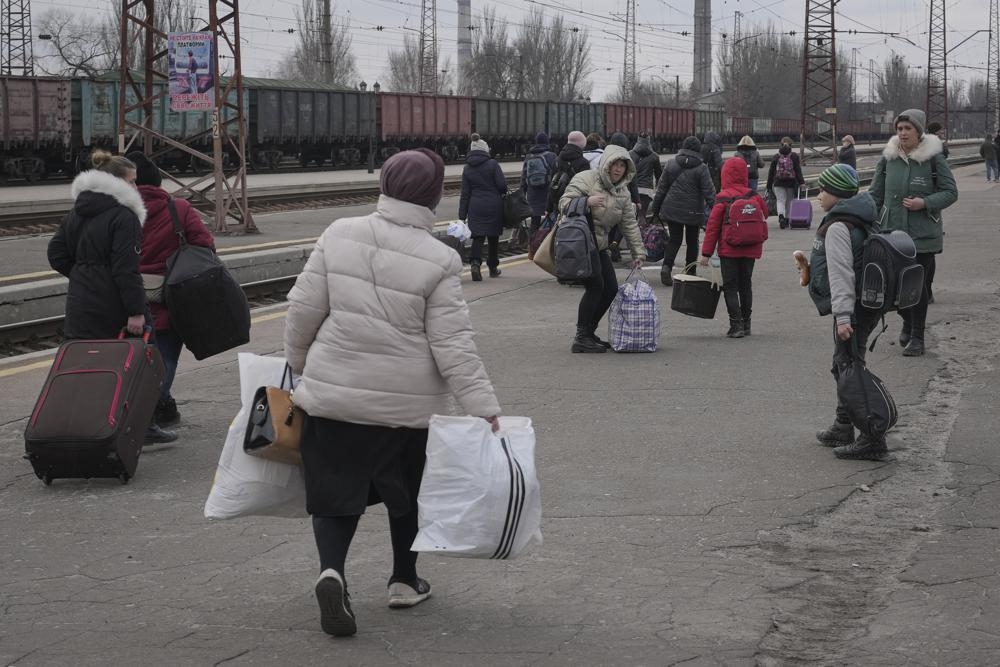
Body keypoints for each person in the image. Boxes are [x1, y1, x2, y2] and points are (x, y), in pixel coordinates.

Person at [283, 148, 502, 638]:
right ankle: (404, 580)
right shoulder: (440, 258)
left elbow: (301, 310)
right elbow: (452, 344)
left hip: (333, 400)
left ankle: (332, 571)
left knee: (335, 494)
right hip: (405, 411)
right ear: (431, 195)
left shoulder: (339, 233)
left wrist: (302, 367)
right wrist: (482, 407)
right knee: (408, 495)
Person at [47, 150, 176, 444]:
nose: (135, 188)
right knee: (142, 366)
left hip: (81, 304)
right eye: (131, 182)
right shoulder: (124, 215)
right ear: (116, 182)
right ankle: (144, 427)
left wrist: (84, 277)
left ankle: (81, 425)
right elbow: (125, 269)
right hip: (116, 305)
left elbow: (56, 255)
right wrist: (135, 312)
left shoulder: (76, 212)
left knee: (85, 370)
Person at [127, 151, 216, 428]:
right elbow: (205, 247)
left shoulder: (118, 210)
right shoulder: (178, 209)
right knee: (164, 357)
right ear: (158, 182)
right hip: (170, 298)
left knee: (128, 358)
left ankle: (135, 407)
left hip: (126, 296)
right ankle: (151, 411)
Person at [807, 163, 889, 461]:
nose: (819, 194)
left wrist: (842, 316)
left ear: (838, 194)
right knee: (843, 363)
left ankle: (872, 437)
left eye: (823, 189)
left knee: (850, 367)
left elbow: (842, 274)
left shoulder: (839, 227)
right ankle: (843, 425)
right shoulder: (861, 216)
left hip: (851, 307)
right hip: (864, 304)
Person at [868, 109, 958, 357]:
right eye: (899, 129)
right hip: (891, 234)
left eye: (908, 128)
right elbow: (875, 195)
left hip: (922, 237)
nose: (903, 133)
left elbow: (951, 192)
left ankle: (917, 337)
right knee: (894, 287)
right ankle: (907, 320)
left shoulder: (933, 159)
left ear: (919, 131)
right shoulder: (888, 158)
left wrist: (925, 203)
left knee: (917, 289)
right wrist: (863, 220)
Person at [558, 145, 646, 353]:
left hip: (599, 245)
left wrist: (638, 253)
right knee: (596, 286)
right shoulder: (586, 179)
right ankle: (581, 337)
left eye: (622, 166)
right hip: (580, 244)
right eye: (614, 164)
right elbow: (563, 203)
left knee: (610, 289)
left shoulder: (622, 192)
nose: (618, 169)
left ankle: (589, 332)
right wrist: (586, 201)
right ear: (606, 164)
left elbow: (629, 223)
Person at [699, 157, 767, 338]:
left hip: (729, 250)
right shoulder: (753, 196)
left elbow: (712, 227)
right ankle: (747, 324)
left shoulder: (722, 198)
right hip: (751, 248)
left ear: (724, 175)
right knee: (746, 285)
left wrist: (706, 253)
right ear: (745, 174)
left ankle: (736, 326)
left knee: (730, 286)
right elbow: (765, 213)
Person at [650, 136, 716, 286]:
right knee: (692, 241)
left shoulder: (671, 163)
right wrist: (717, 210)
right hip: (694, 211)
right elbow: (709, 192)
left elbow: (661, 188)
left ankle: (666, 268)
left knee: (674, 240)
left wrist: (655, 208)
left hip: (672, 209)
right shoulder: (702, 167)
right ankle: (690, 272)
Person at [459, 133, 506, 281]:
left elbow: (465, 194)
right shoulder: (492, 164)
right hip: (493, 205)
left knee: (477, 237)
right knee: (493, 237)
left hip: (475, 206)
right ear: (485, 150)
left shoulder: (467, 168)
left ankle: (475, 264)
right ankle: (492, 268)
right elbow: (502, 186)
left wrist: (462, 215)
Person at [607, 131, 642, 262]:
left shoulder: (606, 157)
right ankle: (615, 244)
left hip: (607, 196)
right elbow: (633, 181)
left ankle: (609, 245)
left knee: (609, 223)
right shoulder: (627, 158)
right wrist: (637, 200)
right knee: (622, 224)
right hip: (622, 196)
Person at [520, 131, 556, 240]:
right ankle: (548, 244)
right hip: (548, 194)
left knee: (534, 222)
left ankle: (532, 246)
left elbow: (524, 178)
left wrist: (522, 195)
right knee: (551, 220)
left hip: (533, 195)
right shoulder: (552, 156)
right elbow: (556, 176)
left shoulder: (529, 157)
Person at [765, 136, 806, 229]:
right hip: (791, 182)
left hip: (778, 182)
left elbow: (771, 172)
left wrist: (768, 185)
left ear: (780, 144)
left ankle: (781, 217)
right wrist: (801, 182)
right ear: (791, 145)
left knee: (780, 201)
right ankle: (787, 219)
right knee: (789, 201)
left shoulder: (776, 156)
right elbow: (797, 170)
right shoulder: (794, 156)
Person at [630, 130, 663, 219]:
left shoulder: (630, 154)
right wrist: (657, 190)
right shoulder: (655, 157)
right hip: (646, 190)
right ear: (649, 141)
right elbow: (659, 176)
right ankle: (642, 231)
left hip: (632, 189)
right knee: (642, 215)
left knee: (631, 216)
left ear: (638, 140)